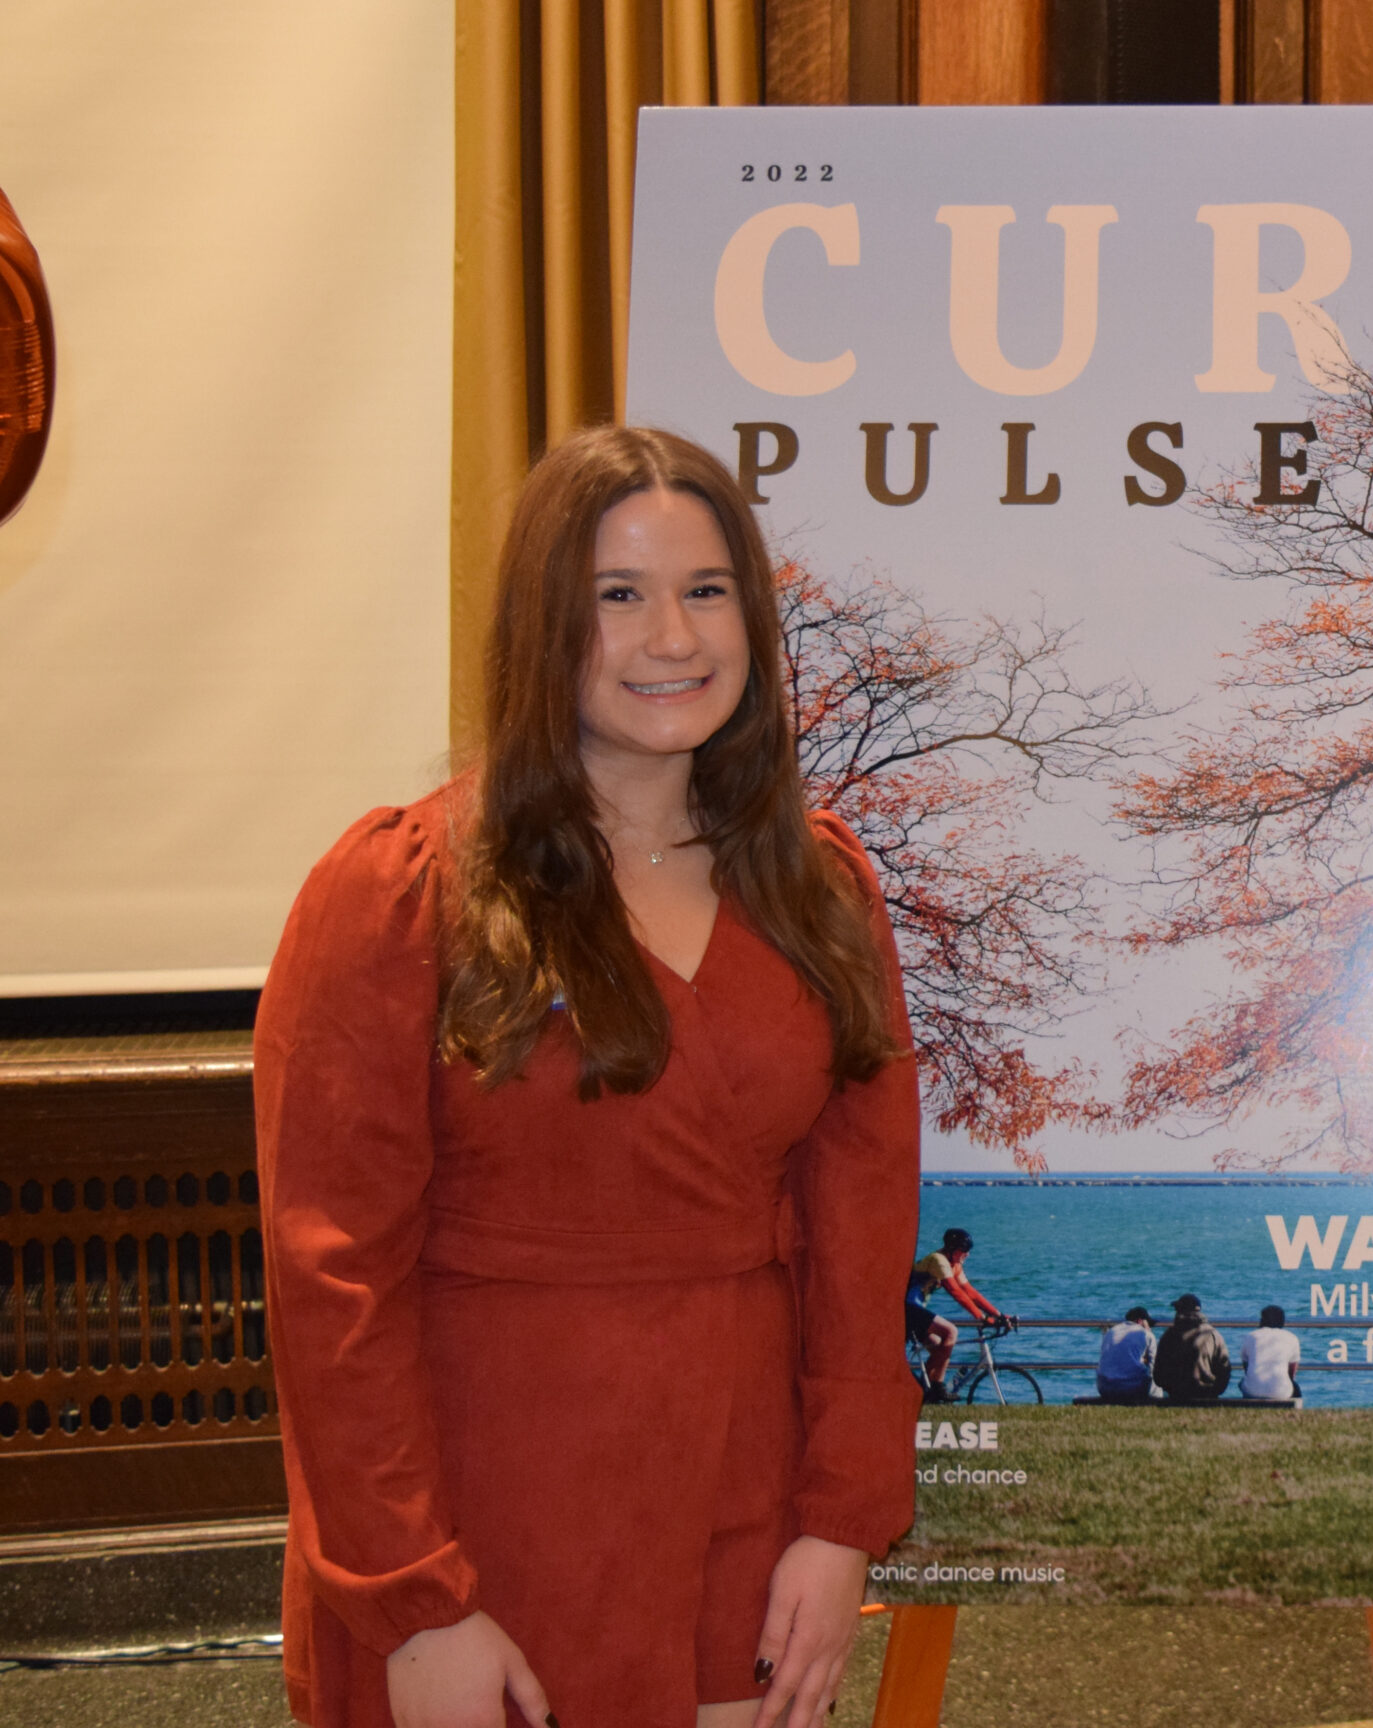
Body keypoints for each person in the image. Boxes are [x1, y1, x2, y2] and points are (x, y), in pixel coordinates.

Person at [255, 425, 921, 1728]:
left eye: (706, 590)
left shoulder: (818, 890)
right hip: (479, 1546)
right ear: (544, 626)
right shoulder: (397, 895)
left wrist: (840, 1525)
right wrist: (414, 1603)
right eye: (618, 597)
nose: (671, 636)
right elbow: (331, 1281)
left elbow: (858, 1239)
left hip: (745, 1525)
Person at [906, 1226, 1009, 1403]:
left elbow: (970, 1292)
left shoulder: (954, 1265)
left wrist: (999, 1315)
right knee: (951, 1332)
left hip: (914, 1309)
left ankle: (920, 1392)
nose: (967, 1254)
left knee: (940, 1347)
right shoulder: (938, 1260)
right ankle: (937, 1388)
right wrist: (981, 1317)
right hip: (907, 1308)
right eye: (964, 1250)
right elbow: (956, 1292)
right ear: (953, 1250)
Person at [1151, 1293, 1232, 1402]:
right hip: (1207, 1392)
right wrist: (1216, 1390)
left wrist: (1169, 1387)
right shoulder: (1213, 1334)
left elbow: (1158, 1372)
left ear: (1180, 1311)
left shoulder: (1169, 1334)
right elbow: (1224, 1368)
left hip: (1176, 1393)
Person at [1236, 1305, 1302, 1401]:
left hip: (1251, 1391)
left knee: (1244, 1382)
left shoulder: (1251, 1336)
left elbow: (1246, 1366)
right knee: (1295, 1387)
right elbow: (1292, 1371)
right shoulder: (1292, 1338)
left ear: (1262, 1320)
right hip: (1281, 1392)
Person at [1095, 1306, 1157, 1402]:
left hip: (1104, 1387)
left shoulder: (1111, 1331)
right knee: (1152, 1376)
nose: (1149, 1327)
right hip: (1131, 1389)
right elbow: (1154, 1365)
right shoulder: (1146, 1334)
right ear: (1140, 1321)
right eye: (1148, 1324)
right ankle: (1157, 1400)